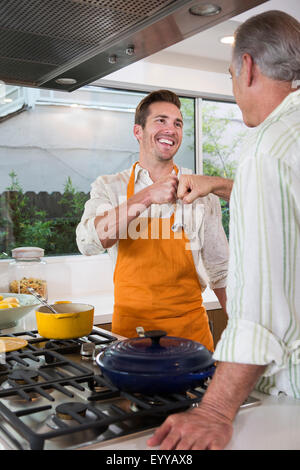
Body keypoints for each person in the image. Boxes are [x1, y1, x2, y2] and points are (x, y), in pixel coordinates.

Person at [147, 10, 300, 450]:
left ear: (247, 67)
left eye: (231, 76)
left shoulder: (265, 151)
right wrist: (220, 184)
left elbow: (262, 305)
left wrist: (214, 410)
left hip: (288, 402)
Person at [76, 89, 229, 350]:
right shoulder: (109, 187)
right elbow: (89, 241)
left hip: (191, 337)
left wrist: (240, 327)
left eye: (177, 123)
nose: (171, 129)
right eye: (161, 120)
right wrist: (146, 196)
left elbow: (221, 271)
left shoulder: (200, 192)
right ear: (138, 131)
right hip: (130, 337)